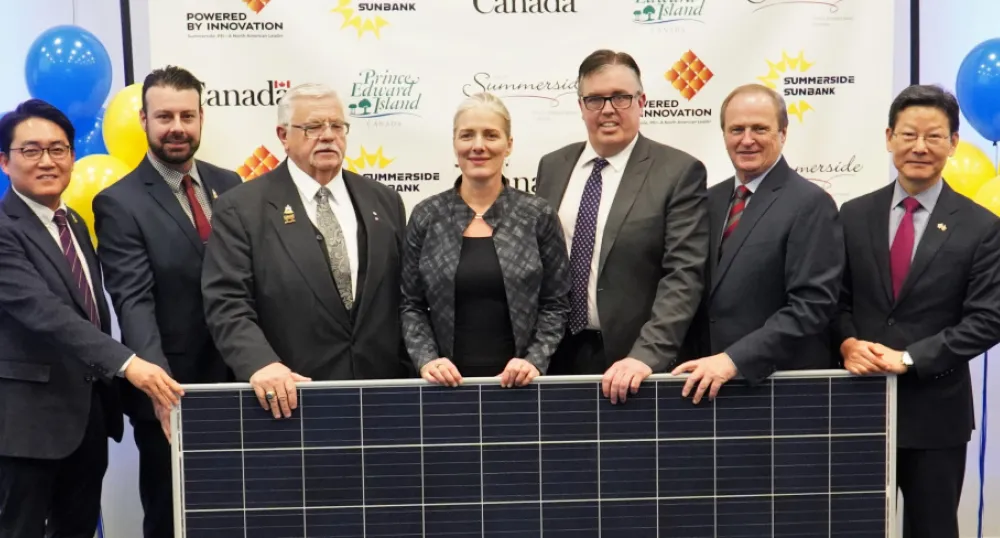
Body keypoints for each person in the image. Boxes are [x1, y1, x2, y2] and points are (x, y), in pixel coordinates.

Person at [0, 99, 183, 538]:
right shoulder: (4, 228)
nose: (48, 161)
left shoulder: (74, 222)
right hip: (26, 430)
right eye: (31, 150)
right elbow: (46, 313)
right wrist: (128, 363)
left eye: (59, 149)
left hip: (86, 422)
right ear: (4, 161)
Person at [834, 84, 1000, 538]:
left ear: (953, 143)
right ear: (889, 137)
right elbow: (833, 300)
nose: (920, 147)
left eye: (933, 136)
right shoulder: (852, 215)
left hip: (935, 415)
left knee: (932, 529)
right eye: (908, 135)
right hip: (856, 406)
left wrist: (909, 359)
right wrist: (847, 341)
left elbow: (989, 319)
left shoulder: (982, 227)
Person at [92, 65, 242, 538]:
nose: (177, 127)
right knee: (171, 517)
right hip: (171, 391)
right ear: (144, 121)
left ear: (201, 118)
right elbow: (132, 303)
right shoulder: (119, 202)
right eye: (164, 117)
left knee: (239, 514)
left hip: (240, 384)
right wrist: (162, 393)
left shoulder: (231, 183)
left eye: (187, 115)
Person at [202, 83, 411, 419]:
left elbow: (405, 298)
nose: (327, 136)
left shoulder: (384, 201)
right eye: (313, 127)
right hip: (290, 401)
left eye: (337, 126)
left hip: (381, 398)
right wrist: (260, 363)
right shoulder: (241, 208)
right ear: (283, 135)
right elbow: (226, 303)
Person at [535, 49, 709, 403]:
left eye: (621, 97)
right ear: (581, 105)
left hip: (637, 366)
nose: (609, 109)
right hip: (555, 358)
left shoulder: (678, 172)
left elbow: (684, 275)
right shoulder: (552, 166)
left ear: (641, 101)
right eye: (596, 99)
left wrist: (645, 357)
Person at [671, 84, 844, 403]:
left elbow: (811, 307)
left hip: (778, 389)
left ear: (783, 133)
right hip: (706, 385)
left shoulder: (811, 204)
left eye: (760, 129)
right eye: (736, 129)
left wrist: (734, 360)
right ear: (723, 134)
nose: (746, 139)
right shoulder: (709, 200)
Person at [401, 92, 570, 387]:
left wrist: (534, 361)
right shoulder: (426, 216)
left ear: (509, 145)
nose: (478, 146)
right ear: (455, 144)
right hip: (443, 387)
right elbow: (410, 305)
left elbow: (556, 303)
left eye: (491, 135)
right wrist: (427, 360)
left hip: (523, 385)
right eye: (467, 135)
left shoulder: (537, 215)